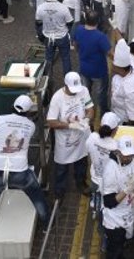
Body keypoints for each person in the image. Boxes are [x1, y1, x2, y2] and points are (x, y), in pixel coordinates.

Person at [0, 95, 50, 238]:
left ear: (12, 106)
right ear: (28, 111)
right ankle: (46, 224)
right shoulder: (30, 126)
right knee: (36, 194)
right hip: (19, 170)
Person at [47, 72, 95, 200]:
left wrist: (86, 120)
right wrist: (69, 126)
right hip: (65, 140)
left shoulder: (83, 91)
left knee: (82, 162)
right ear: (66, 85)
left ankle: (81, 183)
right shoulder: (57, 98)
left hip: (81, 136)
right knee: (61, 168)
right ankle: (59, 192)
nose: (75, 92)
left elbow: (90, 109)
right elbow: (51, 122)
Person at [74, 10, 112, 114]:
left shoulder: (79, 30)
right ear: (98, 21)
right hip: (99, 71)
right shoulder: (101, 37)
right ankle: (103, 112)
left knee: (85, 92)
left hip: (84, 69)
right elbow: (109, 53)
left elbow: (75, 45)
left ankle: (87, 111)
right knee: (101, 94)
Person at [86, 112, 120, 225]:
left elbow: (89, 153)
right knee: (105, 205)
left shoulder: (92, 137)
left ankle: (94, 207)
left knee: (95, 194)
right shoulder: (116, 147)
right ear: (115, 130)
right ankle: (101, 219)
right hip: (108, 185)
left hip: (95, 178)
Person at [36, 0, 73, 75]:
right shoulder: (63, 8)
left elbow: (38, 23)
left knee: (48, 59)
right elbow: (70, 22)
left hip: (48, 37)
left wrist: (41, 37)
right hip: (62, 36)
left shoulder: (40, 8)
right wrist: (67, 31)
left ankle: (48, 79)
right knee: (65, 58)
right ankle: (68, 79)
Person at [110, 39, 134, 126]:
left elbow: (133, 117)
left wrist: (127, 128)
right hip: (116, 111)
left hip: (124, 119)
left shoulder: (131, 90)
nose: (111, 66)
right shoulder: (120, 74)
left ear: (120, 68)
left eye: (113, 65)